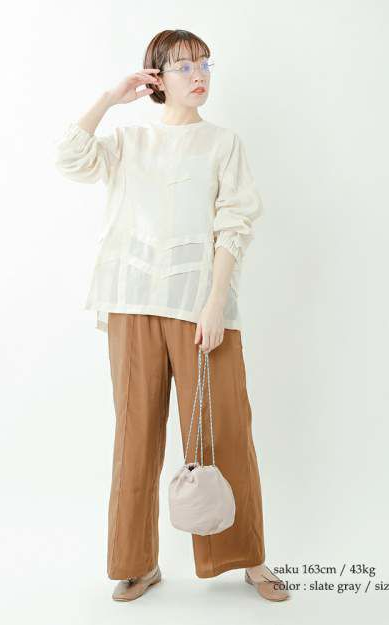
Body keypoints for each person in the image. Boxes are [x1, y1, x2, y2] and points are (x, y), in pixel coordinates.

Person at [55, 29, 290, 603]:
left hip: (200, 308)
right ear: (156, 77)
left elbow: (234, 223)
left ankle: (247, 558)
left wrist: (215, 302)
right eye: (183, 66)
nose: (199, 74)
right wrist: (112, 97)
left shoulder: (222, 143)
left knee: (222, 430)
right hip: (132, 302)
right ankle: (136, 563)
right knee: (135, 435)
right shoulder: (128, 140)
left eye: (204, 63)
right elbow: (69, 157)